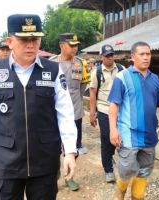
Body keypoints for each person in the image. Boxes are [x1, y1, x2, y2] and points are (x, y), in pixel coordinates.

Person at [0, 14, 77, 199]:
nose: (30, 45)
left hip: (44, 160)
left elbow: (65, 114)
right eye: (24, 39)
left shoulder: (53, 70)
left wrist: (69, 151)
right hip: (7, 162)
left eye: (35, 39)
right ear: (10, 41)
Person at [108, 41, 159, 200]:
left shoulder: (155, 80)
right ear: (133, 57)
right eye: (142, 54)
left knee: (144, 170)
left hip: (149, 135)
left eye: (148, 54)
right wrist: (113, 129)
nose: (146, 57)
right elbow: (114, 104)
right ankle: (120, 192)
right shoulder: (122, 77)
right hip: (128, 135)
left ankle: (137, 196)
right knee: (127, 169)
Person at [49, 32, 89, 191]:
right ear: (61, 46)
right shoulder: (51, 64)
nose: (75, 48)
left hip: (75, 113)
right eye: (71, 45)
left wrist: (76, 105)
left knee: (74, 147)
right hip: (53, 114)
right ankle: (54, 174)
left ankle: (69, 176)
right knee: (52, 147)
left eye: (76, 45)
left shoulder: (81, 64)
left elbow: (82, 88)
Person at [89, 44, 124, 183]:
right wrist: (92, 113)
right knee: (106, 138)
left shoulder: (121, 69)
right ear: (101, 57)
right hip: (104, 109)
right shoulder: (96, 72)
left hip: (120, 111)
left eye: (112, 55)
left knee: (119, 138)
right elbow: (92, 93)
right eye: (107, 56)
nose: (110, 58)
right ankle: (108, 170)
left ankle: (110, 157)